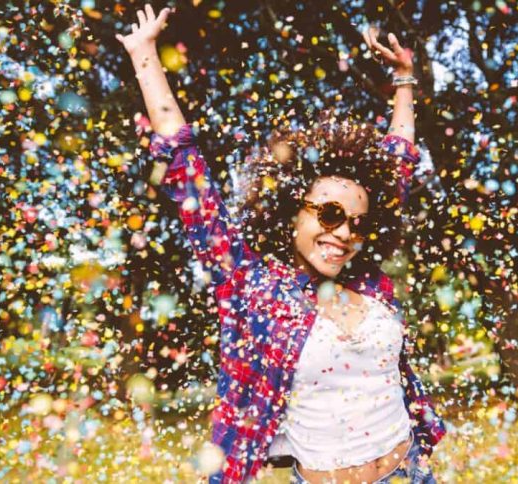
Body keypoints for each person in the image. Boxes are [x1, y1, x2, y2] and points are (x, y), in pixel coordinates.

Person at [116, 5, 446, 483]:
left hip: (410, 473)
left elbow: (397, 162)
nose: (344, 234)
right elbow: (188, 171)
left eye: (357, 223)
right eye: (329, 215)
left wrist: (404, 81)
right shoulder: (250, 286)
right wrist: (144, 55)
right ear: (292, 214)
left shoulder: (369, 284)